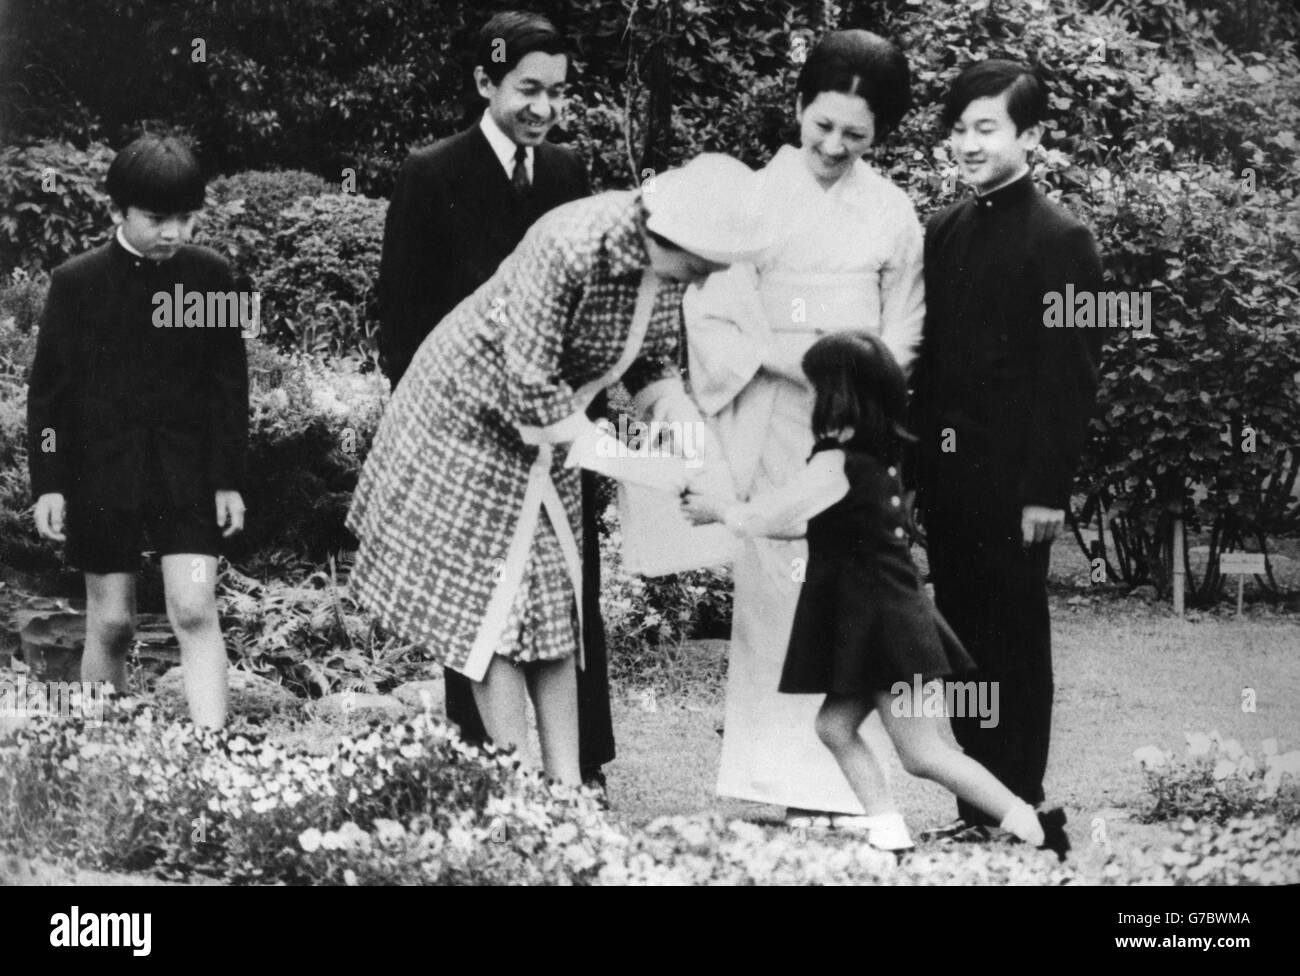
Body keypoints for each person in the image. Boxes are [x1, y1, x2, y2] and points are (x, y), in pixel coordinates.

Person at [346, 153, 770, 785]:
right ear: (666, 236)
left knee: (553, 599)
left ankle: (567, 787)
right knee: (489, 608)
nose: (703, 280)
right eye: (700, 266)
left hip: (552, 429)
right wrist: (657, 472)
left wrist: (692, 446)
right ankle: (520, 791)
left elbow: (652, 371)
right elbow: (533, 398)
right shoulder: (569, 245)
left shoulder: (665, 270)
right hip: (467, 422)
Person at [684, 332, 1069, 858]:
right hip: (878, 626)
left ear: (839, 393)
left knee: (921, 751)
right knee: (835, 726)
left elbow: (775, 513)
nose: (813, 397)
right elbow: (801, 525)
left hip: (884, 629)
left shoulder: (836, 463)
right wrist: (742, 515)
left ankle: (1031, 824)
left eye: (819, 386)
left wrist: (719, 509)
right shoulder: (870, 459)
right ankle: (888, 830)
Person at [681, 30, 923, 825]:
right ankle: (763, 778)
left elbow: (904, 326)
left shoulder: (891, 211)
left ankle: (839, 783)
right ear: (797, 109)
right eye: (821, 125)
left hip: (854, 425)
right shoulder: (754, 198)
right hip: (777, 411)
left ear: (879, 133)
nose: (832, 145)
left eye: (855, 134)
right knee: (774, 587)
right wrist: (801, 365)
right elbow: (719, 313)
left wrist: (861, 383)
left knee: (845, 590)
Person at [375, 11, 612, 787]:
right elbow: (405, 320)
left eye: (557, 92)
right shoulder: (432, 173)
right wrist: (439, 423)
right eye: (528, 89)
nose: (543, 107)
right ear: (486, 81)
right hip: (468, 436)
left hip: (556, 429)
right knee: (480, 604)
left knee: (566, 601)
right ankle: (491, 772)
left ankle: (581, 769)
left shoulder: (571, 172)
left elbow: (591, 303)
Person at [909, 60, 1104, 841]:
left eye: (984, 128)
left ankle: (1022, 793)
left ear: (1029, 135)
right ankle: (980, 808)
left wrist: (1045, 491)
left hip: (1017, 489)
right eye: (958, 128)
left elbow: (1073, 378)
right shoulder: (944, 229)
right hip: (949, 484)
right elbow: (929, 366)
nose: (967, 143)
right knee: (959, 642)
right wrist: (916, 469)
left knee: (1014, 640)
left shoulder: (1065, 238)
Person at [27, 134, 249, 729]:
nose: (174, 232)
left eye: (187, 217)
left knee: (195, 607)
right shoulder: (76, 283)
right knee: (113, 622)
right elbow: (49, 396)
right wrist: (48, 483)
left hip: (191, 479)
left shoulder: (212, 278)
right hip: (102, 477)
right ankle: (102, 747)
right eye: (157, 218)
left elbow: (230, 387)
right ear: (118, 211)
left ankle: (213, 752)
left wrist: (228, 478)